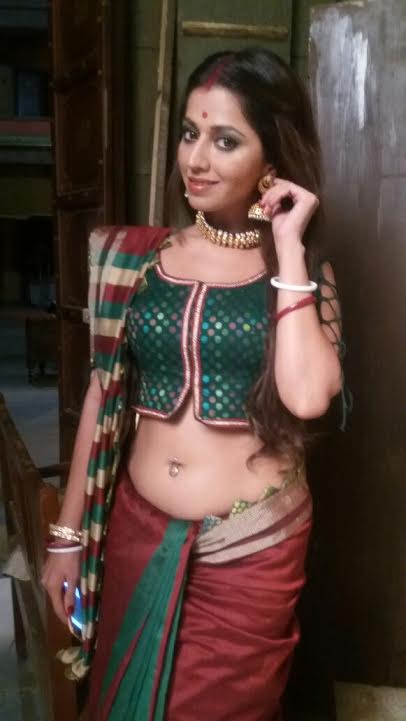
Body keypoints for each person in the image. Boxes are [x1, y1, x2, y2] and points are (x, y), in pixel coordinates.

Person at [42, 48, 343, 721]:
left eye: (225, 140)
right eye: (188, 133)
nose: (196, 160)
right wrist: (67, 535)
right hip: (136, 531)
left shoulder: (302, 273)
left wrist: (289, 246)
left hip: (248, 555)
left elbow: (307, 397)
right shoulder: (139, 261)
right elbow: (103, 393)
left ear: (272, 157)